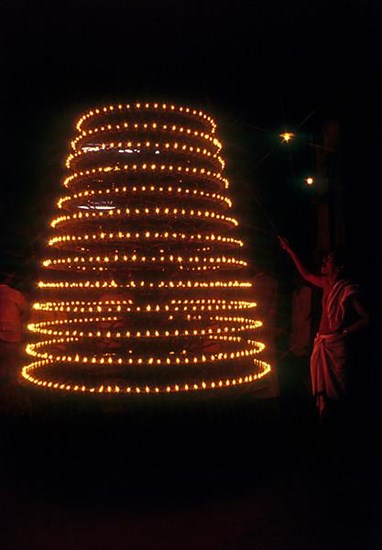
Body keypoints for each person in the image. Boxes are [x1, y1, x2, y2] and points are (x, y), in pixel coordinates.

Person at [278, 237, 369, 434]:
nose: (324, 263)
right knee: (321, 392)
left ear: (339, 267)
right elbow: (305, 273)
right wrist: (289, 249)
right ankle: (324, 430)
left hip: (335, 345)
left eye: (328, 261)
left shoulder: (346, 288)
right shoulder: (325, 283)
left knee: (339, 391)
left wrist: (345, 332)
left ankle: (341, 433)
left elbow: (366, 318)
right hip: (322, 342)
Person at [0, 273, 29, 414]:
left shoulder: (13, 294)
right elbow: (26, 312)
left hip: (9, 336)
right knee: (11, 368)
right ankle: (10, 400)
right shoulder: (15, 294)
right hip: (11, 337)